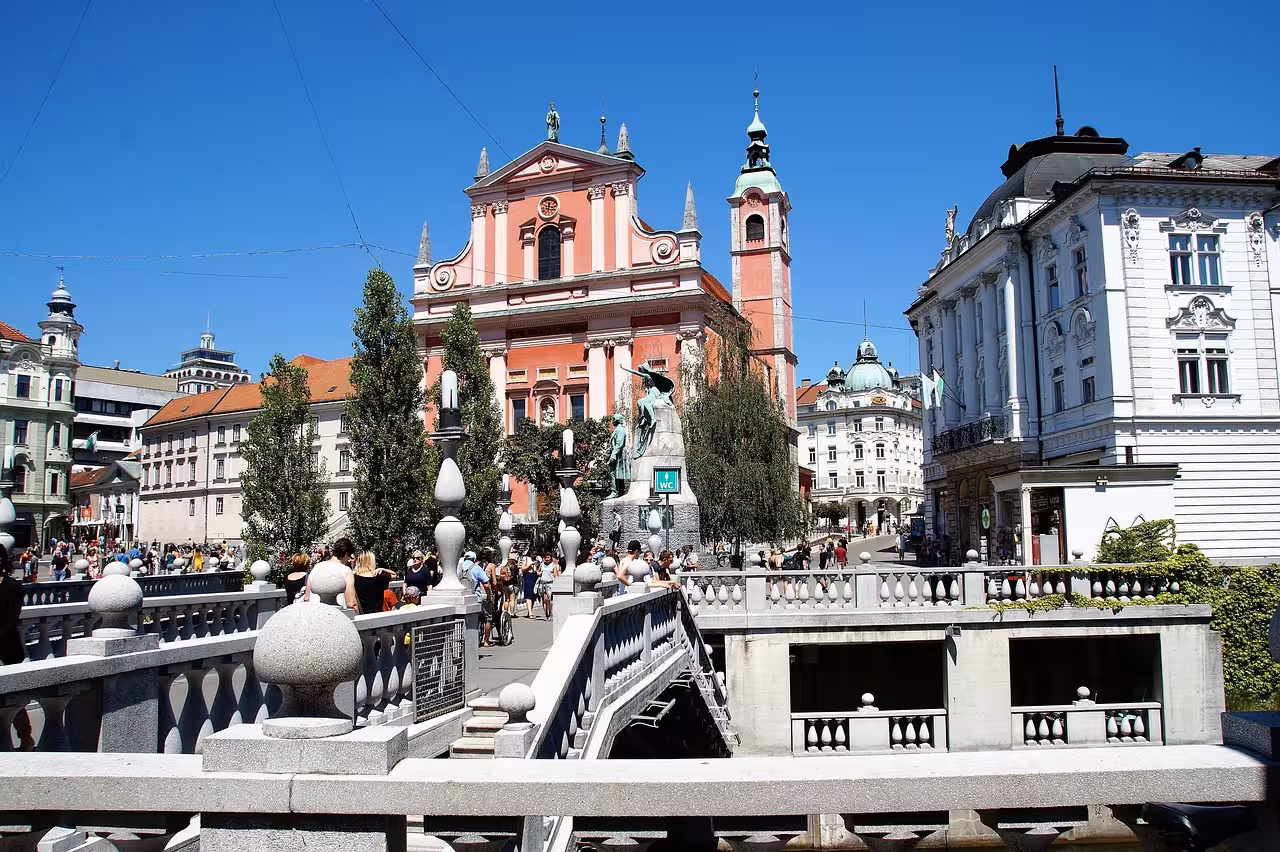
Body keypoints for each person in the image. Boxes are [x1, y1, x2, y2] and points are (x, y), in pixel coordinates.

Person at [304, 536, 358, 609]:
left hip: (315, 613)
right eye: (349, 557)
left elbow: (306, 598)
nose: (348, 560)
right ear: (346, 554)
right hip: (337, 615)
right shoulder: (346, 570)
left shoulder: (317, 567)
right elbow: (351, 603)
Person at [470, 555, 494, 646]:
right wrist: (490, 596)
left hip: (470, 596)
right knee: (488, 618)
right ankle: (486, 641)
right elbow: (488, 584)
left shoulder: (463, 567)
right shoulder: (483, 567)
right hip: (481, 594)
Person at [537, 552, 557, 620]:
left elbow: (555, 574)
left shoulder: (553, 565)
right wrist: (539, 573)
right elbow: (538, 572)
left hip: (550, 583)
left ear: (551, 558)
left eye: (548, 557)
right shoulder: (542, 564)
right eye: (546, 557)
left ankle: (550, 612)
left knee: (549, 599)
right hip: (543, 583)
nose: (547, 559)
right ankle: (546, 614)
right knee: (544, 599)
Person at [520, 553, 538, 619]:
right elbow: (523, 568)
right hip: (528, 576)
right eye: (533, 553)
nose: (534, 554)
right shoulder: (526, 558)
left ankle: (530, 611)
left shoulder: (538, 559)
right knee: (528, 594)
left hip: (535, 576)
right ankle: (530, 612)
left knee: (533, 595)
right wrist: (530, 564)